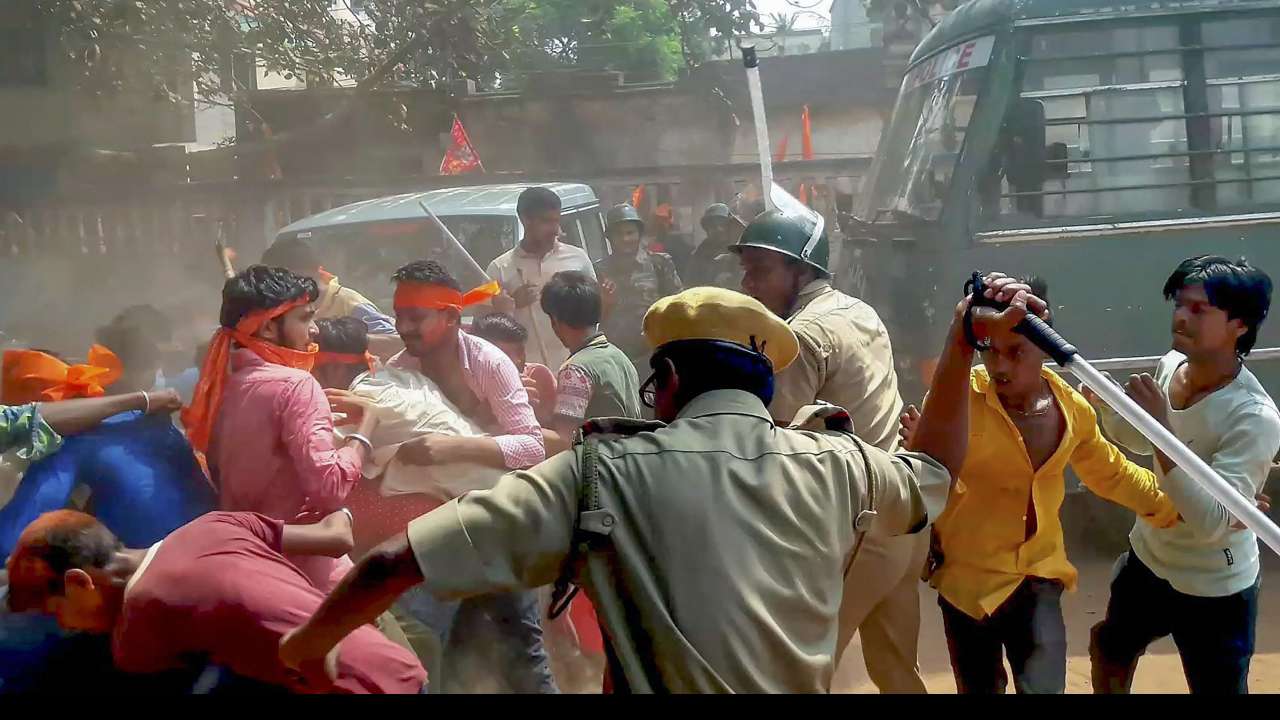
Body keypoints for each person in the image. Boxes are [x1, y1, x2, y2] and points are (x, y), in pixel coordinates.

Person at [277, 279, 1041, 693]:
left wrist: (308, 646)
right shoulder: (838, 463)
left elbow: (391, 563)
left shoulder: (597, 472)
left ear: (666, 382)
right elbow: (935, 472)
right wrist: (958, 341)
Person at [898, 277, 1181, 694]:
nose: (1000, 366)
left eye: (1016, 352)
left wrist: (1183, 507)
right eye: (990, 351)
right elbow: (924, 482)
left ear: (1045, 349)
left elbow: (1113, 473)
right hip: (966, 586)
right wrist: (923, 445)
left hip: (1037, 580)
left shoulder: (1072, 410)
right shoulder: (956, 401)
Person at [733, 208, 924, 693]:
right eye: (746, 269)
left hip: (855, 528)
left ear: (801, 270)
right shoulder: (859, 311)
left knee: (792, 673)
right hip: (904, 511)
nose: (748, 283)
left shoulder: (800, 337)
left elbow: (774, 443)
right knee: (897, 671)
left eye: (761, 270)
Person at [1086, 256, 1280, 695]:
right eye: (1180, 303)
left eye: (1199, 309)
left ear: (1240, 326)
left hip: (1215, 588)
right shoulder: (1170, 364)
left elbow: (1212, 523)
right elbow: (1138, 439)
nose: (1181, 316)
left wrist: (1160, 427)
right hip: (1148, 558)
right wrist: (1103, 403)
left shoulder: (1254, 416)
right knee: (1110, 648)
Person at [5, 509, 426, 694]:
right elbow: (334, 536)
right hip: (398, 670)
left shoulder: (138, 627)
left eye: (54, 609)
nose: (64, 625)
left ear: (79, 583)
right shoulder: (215, 523)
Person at [379, 259, 557, 694]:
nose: (404, 327)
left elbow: (532, 445)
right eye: (400, 315)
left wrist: (456, 447)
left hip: (497, 522)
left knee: (523, 654)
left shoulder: (487, 361)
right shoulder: (399, 372)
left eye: (415, 317)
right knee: (423, 640)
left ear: (451, 316)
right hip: (437, 525)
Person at [181, 265, 377, 592]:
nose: (314, 330)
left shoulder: (223, 387)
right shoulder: (297, 385)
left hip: (253, 567)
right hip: (314, 577)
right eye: (304, 319)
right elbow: (329, 487)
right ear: (270, 328)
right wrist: (366, 428)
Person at [0, 316, 215, 557]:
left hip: (156, 570)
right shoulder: (145, 419)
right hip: (217, 545)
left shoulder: (66, 442)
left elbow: (9, 542)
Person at [486, 186, 597, 371]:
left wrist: (607, 302)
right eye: (547, 222)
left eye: (557, 221)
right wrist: (510, 306)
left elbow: (594, 317)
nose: (555, 230)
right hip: (525, 377)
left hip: (578, 370)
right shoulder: (499, 269)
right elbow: (482, 332)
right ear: (525, 219)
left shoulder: (578, 259)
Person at [539, 271, 641, 455]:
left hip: (598, 473)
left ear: (555, 320)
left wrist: (517, 428)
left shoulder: (575, 370)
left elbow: (564, 441)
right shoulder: (619, 357)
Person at [261, 237, 401, 358]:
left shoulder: (350, 303)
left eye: (288, 280)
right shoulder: (276, 307)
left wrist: (338, 339)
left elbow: (399, 343)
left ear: (314, 271)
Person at [594, 204, 683, 367]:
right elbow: (592, 320)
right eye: (619, 234)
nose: (625, 239)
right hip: (614, 357)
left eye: (630, 233)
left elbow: (677, 306)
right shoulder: (599, 270)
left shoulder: (659, 264)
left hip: (655, 354)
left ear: (639, 234)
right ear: (610, 238)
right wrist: (605, 303)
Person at [472, 312, 557, 423]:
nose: (517, 360)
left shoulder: (538, 376)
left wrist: (527, 408)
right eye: (504, 355)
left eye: (520, 351)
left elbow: (559, 431)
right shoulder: (467, 385)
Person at [686, 203, 744, 289]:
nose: (719, 229)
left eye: (722, 224)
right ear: (707, 229)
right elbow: (690, 284)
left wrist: (731, 280)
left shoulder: (740, 250)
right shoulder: (699, 253)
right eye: (713, 226)